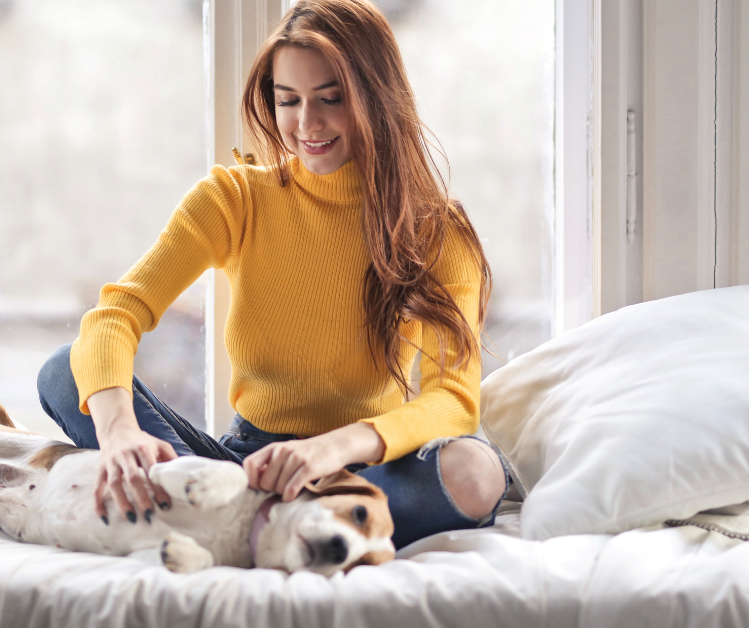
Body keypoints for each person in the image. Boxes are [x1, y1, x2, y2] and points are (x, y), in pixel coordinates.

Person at [37, 0, 512, 550]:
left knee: (476, 473)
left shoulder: (437, 229)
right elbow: (114, 316)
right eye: (288, 101)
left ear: (377, 99)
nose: (306, 124)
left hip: (356, 474)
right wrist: (119, 432)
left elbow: (453, 400)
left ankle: (230, 526)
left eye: (330, 99)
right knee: (65, 373)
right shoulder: (233, 200)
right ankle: (260, 523)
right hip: (241, 466)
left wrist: (330, 450)